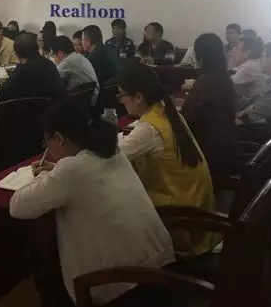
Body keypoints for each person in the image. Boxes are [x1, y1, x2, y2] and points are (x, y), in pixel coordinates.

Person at [9, 100, 174, 305]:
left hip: (120, 287)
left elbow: (17, 206)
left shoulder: (71, 170)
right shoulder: (112, 152)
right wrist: (56, 171)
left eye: (46, 143)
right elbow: (82, 176)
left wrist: (42, 177)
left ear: (59, 138)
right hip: (160, 268)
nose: (48, 149)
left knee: (44, 259)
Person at [116, 62, 219, 256]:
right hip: (194, 201)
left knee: (118, 201)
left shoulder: (149, 129)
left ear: (138, 97)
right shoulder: (165, 111)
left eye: (121, 95)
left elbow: (112, 153)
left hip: (182, 214)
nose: (120, 101)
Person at [181, 33, 237, 175]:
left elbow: (188, 117)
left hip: (206, 148)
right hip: (226, 142)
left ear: (201, 58)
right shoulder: (224, 77)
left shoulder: (205, 81)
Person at [0, 33, 65, 101]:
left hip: (31, 108)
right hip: (55, 106)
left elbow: (0, 94)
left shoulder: (22, 71)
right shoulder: (50, 64)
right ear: (37, 48)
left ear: (17, 54)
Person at [51, 35, 99, 103]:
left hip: (82, 102)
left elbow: (52, 79)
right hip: (91, 99)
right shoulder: (78, 57)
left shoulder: (68, 62)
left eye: (53, 55)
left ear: (60, 53)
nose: (53, 57)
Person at [230, 37, 267, 107]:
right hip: (253, 103)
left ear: (248, 52)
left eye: (237, 48)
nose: (234, 50)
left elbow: (229, 80)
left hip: (256, 107)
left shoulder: (249, 66)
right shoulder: (252, 63)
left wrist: (232, 57)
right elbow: (232, 71)